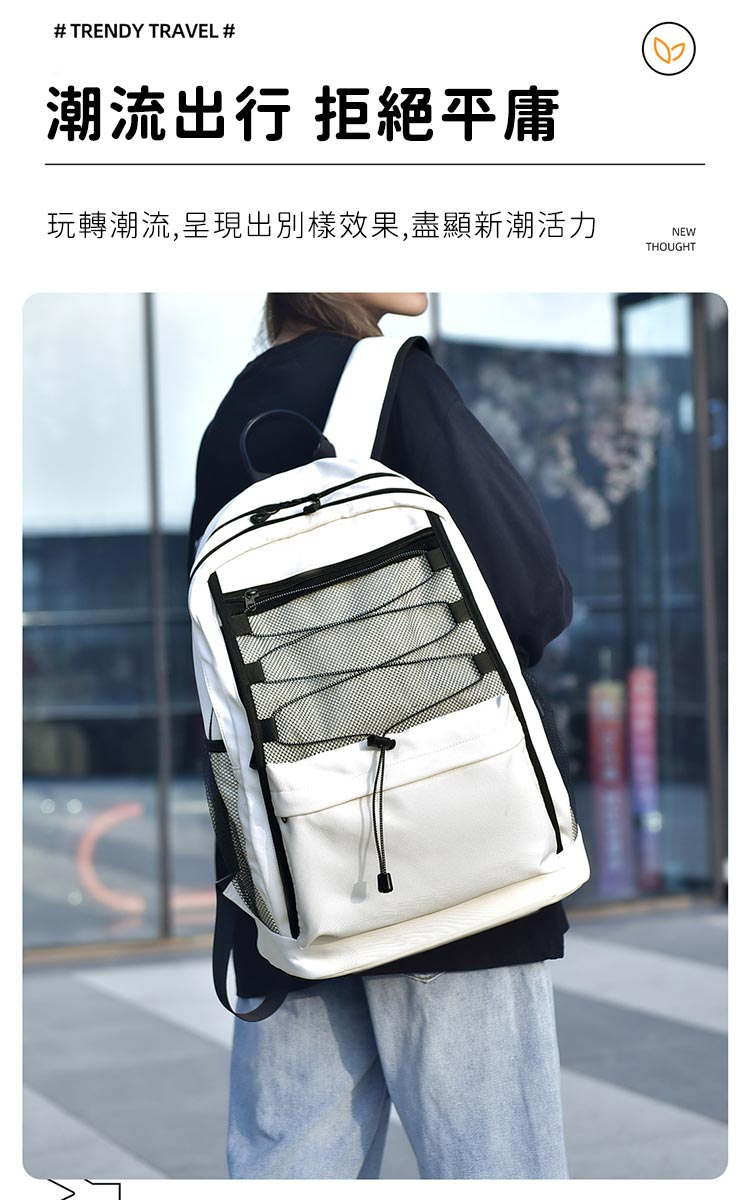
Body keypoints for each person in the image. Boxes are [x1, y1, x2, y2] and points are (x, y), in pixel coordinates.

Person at [188, 293, 576, 1180]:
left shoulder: (235, 413)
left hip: (288, 873)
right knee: (495, 1165)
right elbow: (530, 597)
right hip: (450, 857)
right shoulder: (396, 382)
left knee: (290, 1167)